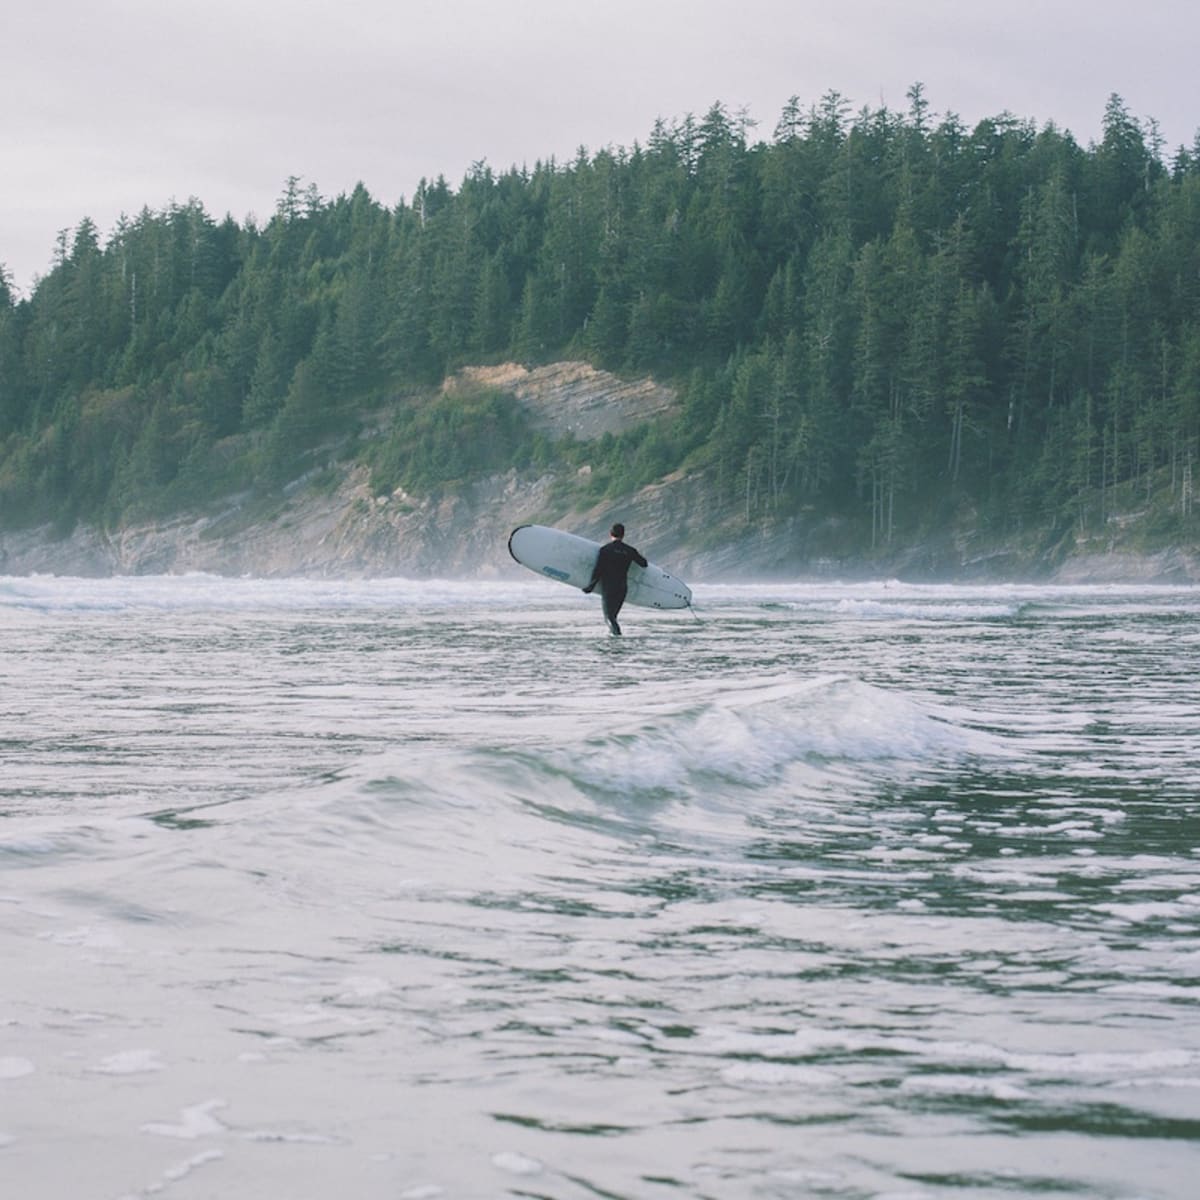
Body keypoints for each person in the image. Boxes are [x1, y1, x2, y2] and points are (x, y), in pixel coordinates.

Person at [582, 522, 647, 636]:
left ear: (610, 534)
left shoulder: (605, 550)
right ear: (623, 535)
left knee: (609, 617)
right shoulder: (630, 550)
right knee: (613, 617)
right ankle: (614, 637)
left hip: (609, 587)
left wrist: (591, 586)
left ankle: (617, 640)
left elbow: (599, 569)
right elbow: (644, 563)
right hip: (622, 588)